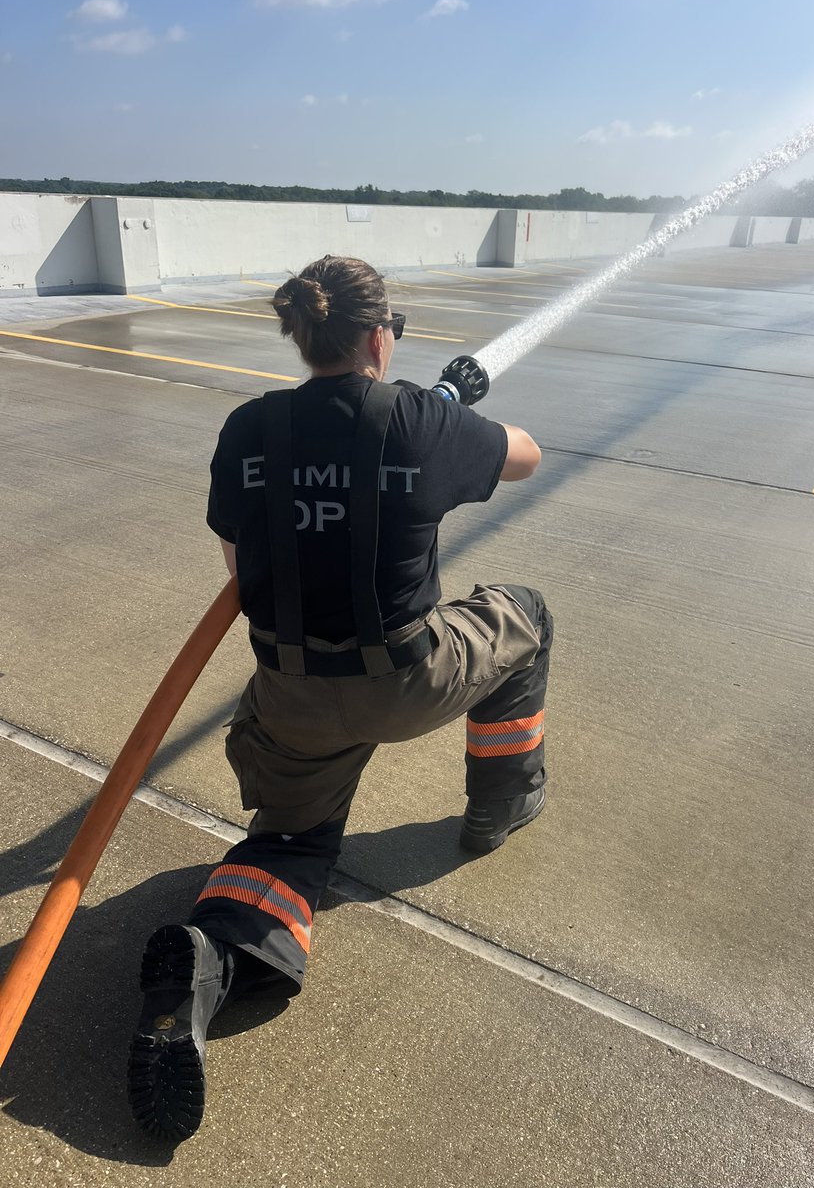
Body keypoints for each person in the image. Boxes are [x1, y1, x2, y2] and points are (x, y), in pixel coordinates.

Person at [127, 255, 552, 1141]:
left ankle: (214, 954)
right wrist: (451, 407)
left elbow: (243, 569)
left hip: (291, 695)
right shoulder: (421, 422)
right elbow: (525, 458)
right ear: (377, 336)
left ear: (301, 335)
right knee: (526, 618)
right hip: (405, 679)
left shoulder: (247, 429)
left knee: (292, 841)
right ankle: (499, 805)